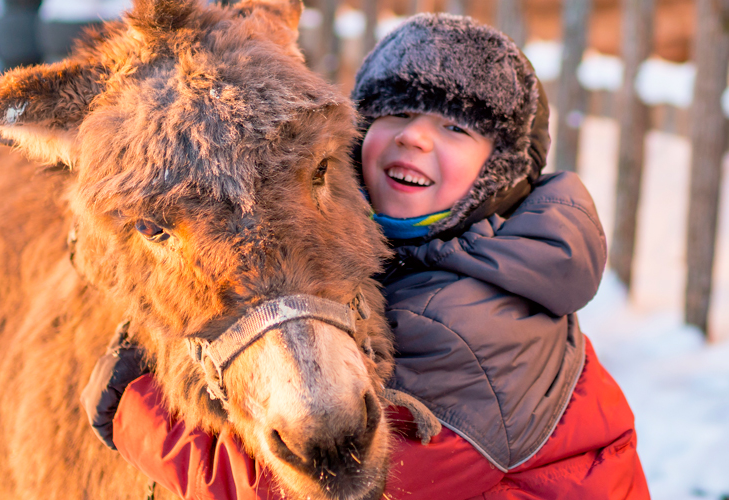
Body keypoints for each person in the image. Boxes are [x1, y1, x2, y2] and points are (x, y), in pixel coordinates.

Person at [78, 13, 649, 499]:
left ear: (496, 173)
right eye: (396, 115)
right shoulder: (465, 248)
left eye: (454, 127)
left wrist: (134, 408)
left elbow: (330, 479)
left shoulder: (463, 328)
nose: (415, 139)